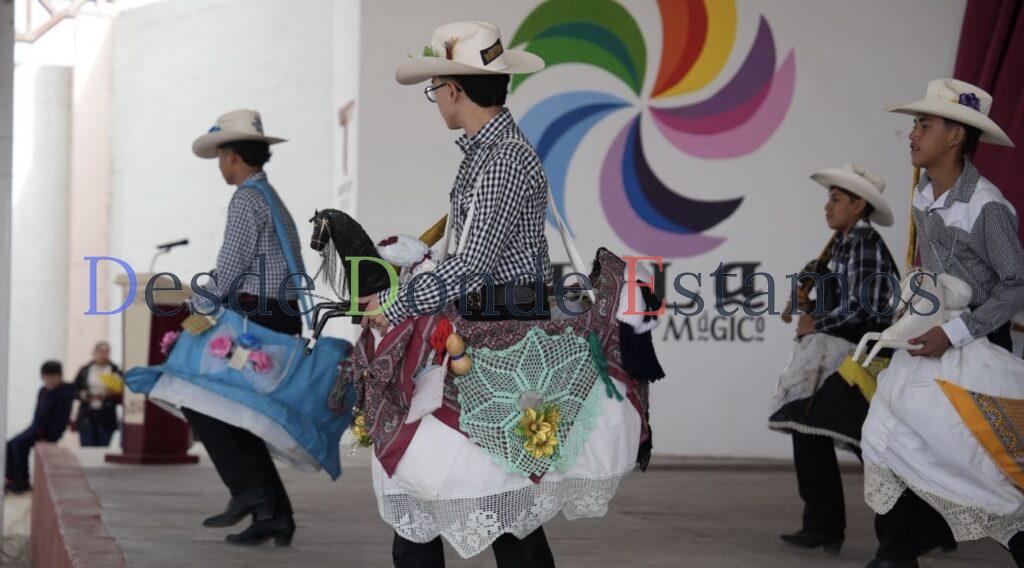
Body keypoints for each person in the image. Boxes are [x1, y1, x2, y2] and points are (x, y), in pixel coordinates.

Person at [354, 21, 656, 568]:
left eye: (436, 89)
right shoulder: (488, 154)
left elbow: (471, 267)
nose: (437, 99)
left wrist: (397, 304)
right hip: (488, 339)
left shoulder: (501, 160)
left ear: (453, 89)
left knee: (447, 497)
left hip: (497, 343)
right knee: (497, 510)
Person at [861, 78, 1024, 568]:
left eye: (924, 125)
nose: (912, 134)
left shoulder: (987, 206)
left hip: (971, 345)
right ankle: (894, 553)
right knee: (889, 438)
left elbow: (1015, 285)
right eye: (915, 124)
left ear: (956, 136)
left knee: (968, 462)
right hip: (925, 341)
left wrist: (952, 333)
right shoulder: (924, 193)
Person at [184, 109, 304, 546]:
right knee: (243, 416)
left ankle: (250, 494)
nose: (220, 165)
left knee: (202, 401)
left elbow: (230, 268)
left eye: (221, 156)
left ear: (233, 156)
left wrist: (193, 307)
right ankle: (273, 514)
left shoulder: (246, 200)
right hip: (278, 316)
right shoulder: (270, 197)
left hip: (259, 320)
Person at [769, 163, 902, 554]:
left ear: (860, 205)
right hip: (847, 355)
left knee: (864, 443)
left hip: (859, 356)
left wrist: (815, 321)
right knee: (815, 428)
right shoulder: (845, 245)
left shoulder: (863, 244)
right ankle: (827, 525)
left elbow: (869, 307)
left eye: (837, 199)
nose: (827, 207)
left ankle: (905, 529)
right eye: (829, 198)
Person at [5, 361, 75, 494]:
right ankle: (12, 479)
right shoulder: (43, 391)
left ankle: (23, 482)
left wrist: (50, 437)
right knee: (9, 444)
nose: (50, 380)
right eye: (47, 377)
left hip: (47, 432)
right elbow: (37, 414)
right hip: (35, 428)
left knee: (19, 446)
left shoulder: (65, 393)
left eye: (53, 377)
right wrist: (32, 429)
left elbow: (61, 419)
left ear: (60, 376)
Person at [72, 341, 123, 447]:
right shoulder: (85, 370)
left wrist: (113, 393)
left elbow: (122, 393)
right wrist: (83, 394)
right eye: (100, 351)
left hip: (106, 413)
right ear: (94, 353)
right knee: (87, 447)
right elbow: (74, 389)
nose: (103, 355)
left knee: (102, 447)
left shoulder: (115, 370)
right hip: (87, 413)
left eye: (106, 352)